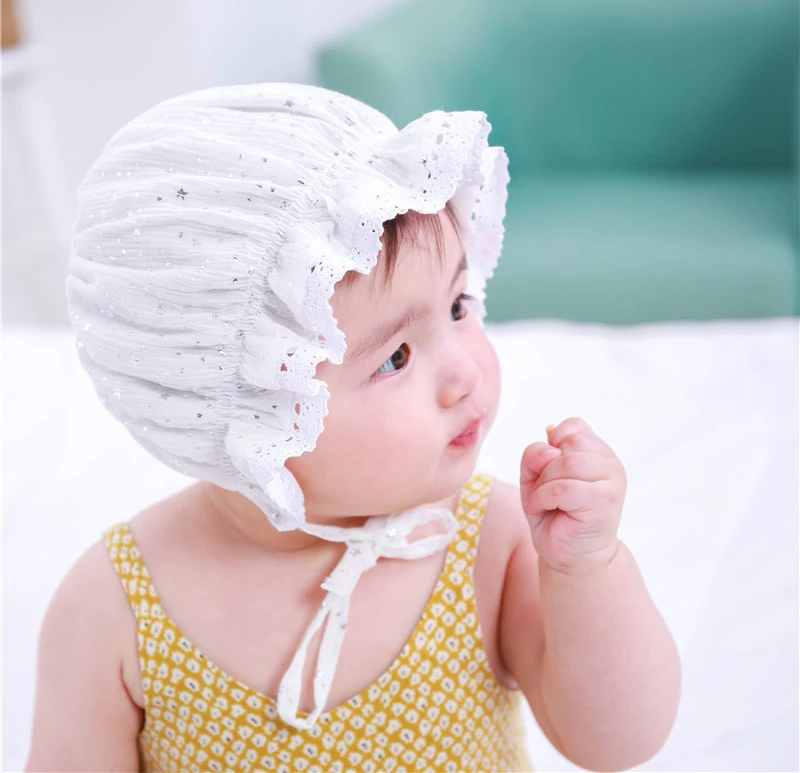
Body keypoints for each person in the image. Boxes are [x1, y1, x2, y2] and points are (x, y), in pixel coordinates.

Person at [26, 83, 681, 773]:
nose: (465, 373)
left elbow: (616, 743)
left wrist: (588, 571)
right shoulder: (117, 608)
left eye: (459, 306)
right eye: (395, 357)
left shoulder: (488, 540)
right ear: (254, 410)